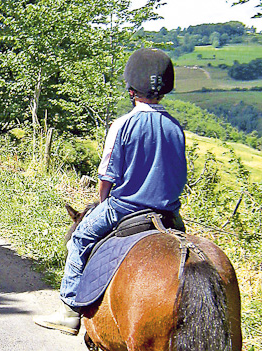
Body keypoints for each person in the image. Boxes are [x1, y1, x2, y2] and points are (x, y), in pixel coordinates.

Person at [33, 48, 187, 335]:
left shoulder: (124, 124)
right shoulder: (176, 127)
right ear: (164, 90)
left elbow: (107, 175)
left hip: (125, 207)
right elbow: (179, 176)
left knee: (79, 238)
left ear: (131, 90)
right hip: (168, 212)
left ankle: (68, 309)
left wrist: (104, 201)